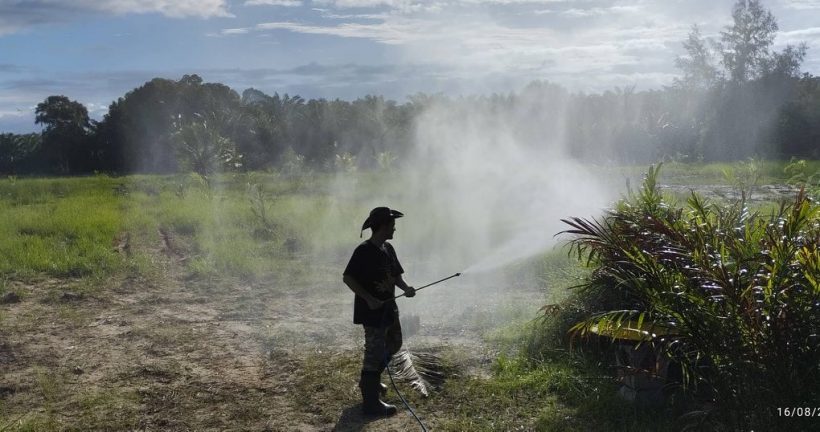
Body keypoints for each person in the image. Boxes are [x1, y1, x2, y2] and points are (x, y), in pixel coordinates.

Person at [343, 206, 416, 416]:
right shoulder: (363, 251)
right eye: (392, 225)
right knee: (373, 353)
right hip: (372, 312)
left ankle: (371, 382)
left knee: (394, 344)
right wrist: (369, 298)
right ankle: (370, 403)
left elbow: (396, 276)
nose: (395, 229)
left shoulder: (388, 249)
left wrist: (406, 288)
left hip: (389, 308)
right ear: (383, 226)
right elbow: (348, 278)